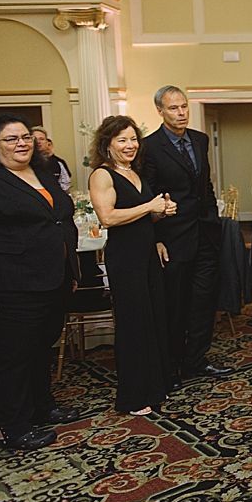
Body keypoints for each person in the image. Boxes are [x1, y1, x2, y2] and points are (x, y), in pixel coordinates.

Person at [0, 113, 80, 450]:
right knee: (12, 356)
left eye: (26, 137)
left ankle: (42, 407)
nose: (21, 143)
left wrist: (70, 270)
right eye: (11, 139)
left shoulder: (43, 173)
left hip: (54, 278)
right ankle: (12, 427)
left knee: (42, 348)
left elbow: (59, 220)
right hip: (15, 282)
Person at [142, 85, 231, 388]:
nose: (181, 113)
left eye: (183, 106)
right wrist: (155, 238)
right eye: (173, 108)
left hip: (205, 233)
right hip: (172, 237)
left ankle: (197, 360)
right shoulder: (150, 147)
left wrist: (212, 219)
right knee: (175, 305)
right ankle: (171, 367)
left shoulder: (199, 139)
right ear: (160, 111)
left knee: (203, 302)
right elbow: (148, 196)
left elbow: (205, 185)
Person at [88, 115, 176, 416]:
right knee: (133, 324)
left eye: (133, 139)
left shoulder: (135, 172)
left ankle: (155, 385)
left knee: (153, 317)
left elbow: (142, 216)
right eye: (122, 140)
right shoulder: (102, 175)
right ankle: (133, 396)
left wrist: (161, 212)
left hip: (146, 253)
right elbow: (108, 217)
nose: (130, 145)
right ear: (107, 144)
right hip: (125, 257)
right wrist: (149, 206)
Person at [31, 127, 71, 192]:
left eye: (41, 139)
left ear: (47, 142)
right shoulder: (24, 163)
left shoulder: (58, 163)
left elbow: (66, 184)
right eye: (35, 139)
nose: (38, 142)